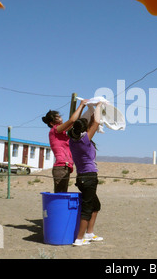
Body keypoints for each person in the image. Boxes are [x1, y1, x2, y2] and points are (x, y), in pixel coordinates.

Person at [69, 102, 104, 246]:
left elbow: (89, 124)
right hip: (89, 177)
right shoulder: (84, 140)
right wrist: (99, 106)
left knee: (96, 205)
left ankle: (89, 233)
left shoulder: (72, 141)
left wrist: (87, 107)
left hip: (82, 177)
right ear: (84, 130)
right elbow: (96, 122)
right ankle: (79, 238)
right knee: (88, 208)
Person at [42, 99, 87, 193]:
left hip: (66, 167)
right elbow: (72, 120)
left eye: (59, 117)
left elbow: (74, 121)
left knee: (62, 193)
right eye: (57, 118)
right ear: (52, 123)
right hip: (61, 167)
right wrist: (81, 105)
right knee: (60, 194)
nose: (61, 119)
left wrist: (82, 107)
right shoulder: (55, 130)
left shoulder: (62, 132)